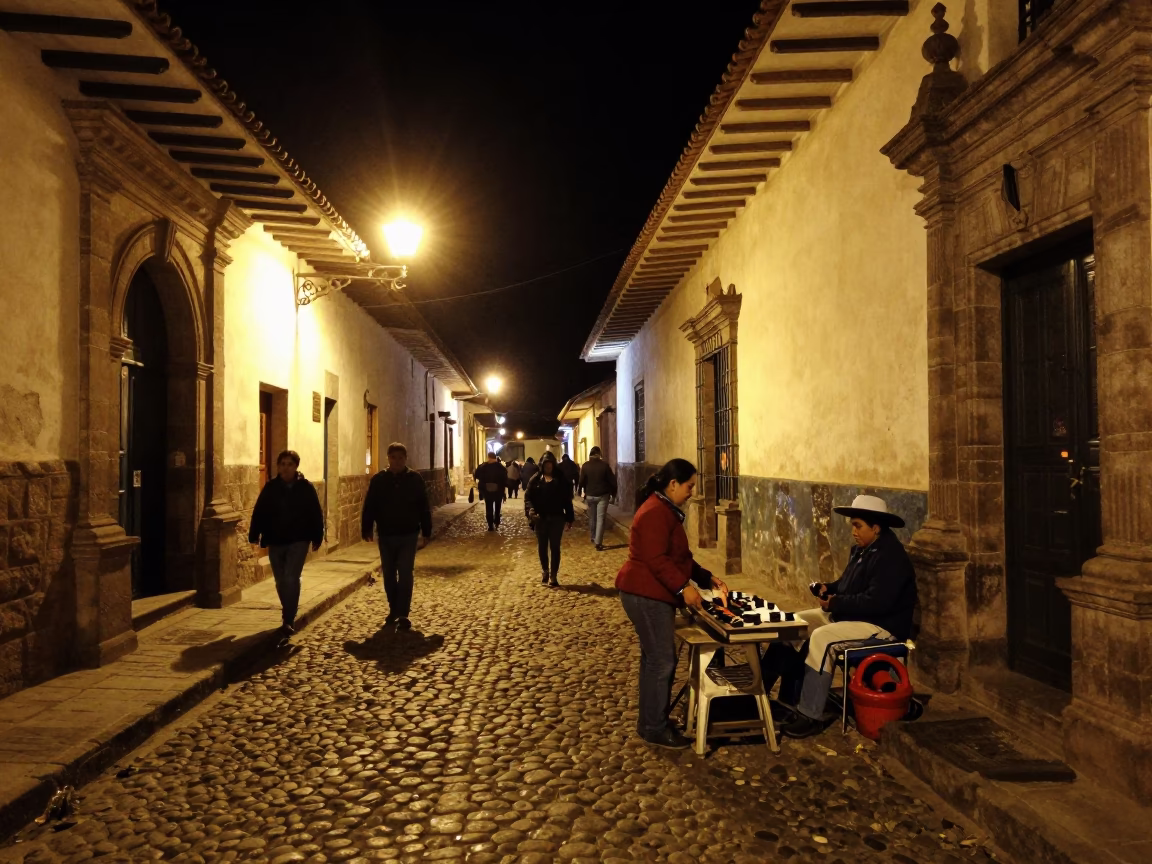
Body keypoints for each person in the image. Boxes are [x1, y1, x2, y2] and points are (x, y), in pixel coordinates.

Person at [763, 495, 918, 739]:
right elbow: (848, 585)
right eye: (852, 525)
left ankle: (810, 714)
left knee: (823, 639)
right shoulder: (863, 550)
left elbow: (876, 603)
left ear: (875, 528)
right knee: (791, 623)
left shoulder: (891, 557)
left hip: (880, 625)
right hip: (853, 617)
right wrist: (830, 588)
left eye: (858, 526)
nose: (853, 531)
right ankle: (765, 693)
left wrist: (836, 602)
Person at [615, 459, 729, 749]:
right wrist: (683, 588)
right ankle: (655, 727)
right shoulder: (655, 512)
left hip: (650, 593)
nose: (692, 491)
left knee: (653, 659)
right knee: (662, 660)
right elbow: (657, 560)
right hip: (646, 595)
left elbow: (680, 557)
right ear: (673, 484)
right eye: (689, 486)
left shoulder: (665, 510)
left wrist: (705, 578)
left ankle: (650, 721)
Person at [248, 450, 325, 641]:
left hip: (299, 539)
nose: (285, 467)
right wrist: (254, 533)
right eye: (282, 464)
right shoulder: (271, 487)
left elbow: (315, 512)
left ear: (296, 466)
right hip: (276, 539)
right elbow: (260, 511)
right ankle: (289, 609)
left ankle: (288, 619)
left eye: (289, 464)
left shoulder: (305, 487)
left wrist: (317, 536)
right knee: (280, 580)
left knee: (291, 577)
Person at [360, 442, 432, 631]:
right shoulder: (379, 480)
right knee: (389, 574)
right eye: (393, 458)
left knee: (406, 573)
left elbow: (424, 505)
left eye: (400, 458)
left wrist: (426, 531)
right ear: (388, 459)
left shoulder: (414, 479)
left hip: (408, 533)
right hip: (386, 533)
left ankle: (403, 614)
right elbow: (370, 504)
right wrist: (366, 527)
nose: (397, 461)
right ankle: (394, 608)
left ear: (405, 459)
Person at [523, 452, 574, 586]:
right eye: (546, 464)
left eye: (550, 464)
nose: (548, 467)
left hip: (557, 518)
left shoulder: (561, 479)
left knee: (555, 547)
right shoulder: (535, 479)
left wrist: (570, 518)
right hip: (541, 518)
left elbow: (567, 500)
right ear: (542, 465)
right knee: (542, 546)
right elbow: (528, 498)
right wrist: (531, 511)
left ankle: (554, 575)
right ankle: (545, 570)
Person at [579, 446, 617, 551]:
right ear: (599, 454)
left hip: (590, 495)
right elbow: (612, 481)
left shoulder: (585, 466)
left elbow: (581, 481)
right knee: (600, 519)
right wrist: (614, 493)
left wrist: (580, 492)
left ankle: (593, 536)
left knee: (592, 517)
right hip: (602, 495)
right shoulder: (604, 466)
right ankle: (598, 542)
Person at [473, 451, 508, 530]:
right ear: (495, 457)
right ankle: (497, 521)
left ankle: (490, 524)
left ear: (488, 457)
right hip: (498, 491)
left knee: (489, 506)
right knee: (498, 506)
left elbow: (477, 475)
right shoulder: (501, 467)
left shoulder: (483, 466)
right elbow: (505, 479)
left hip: (486, 490)